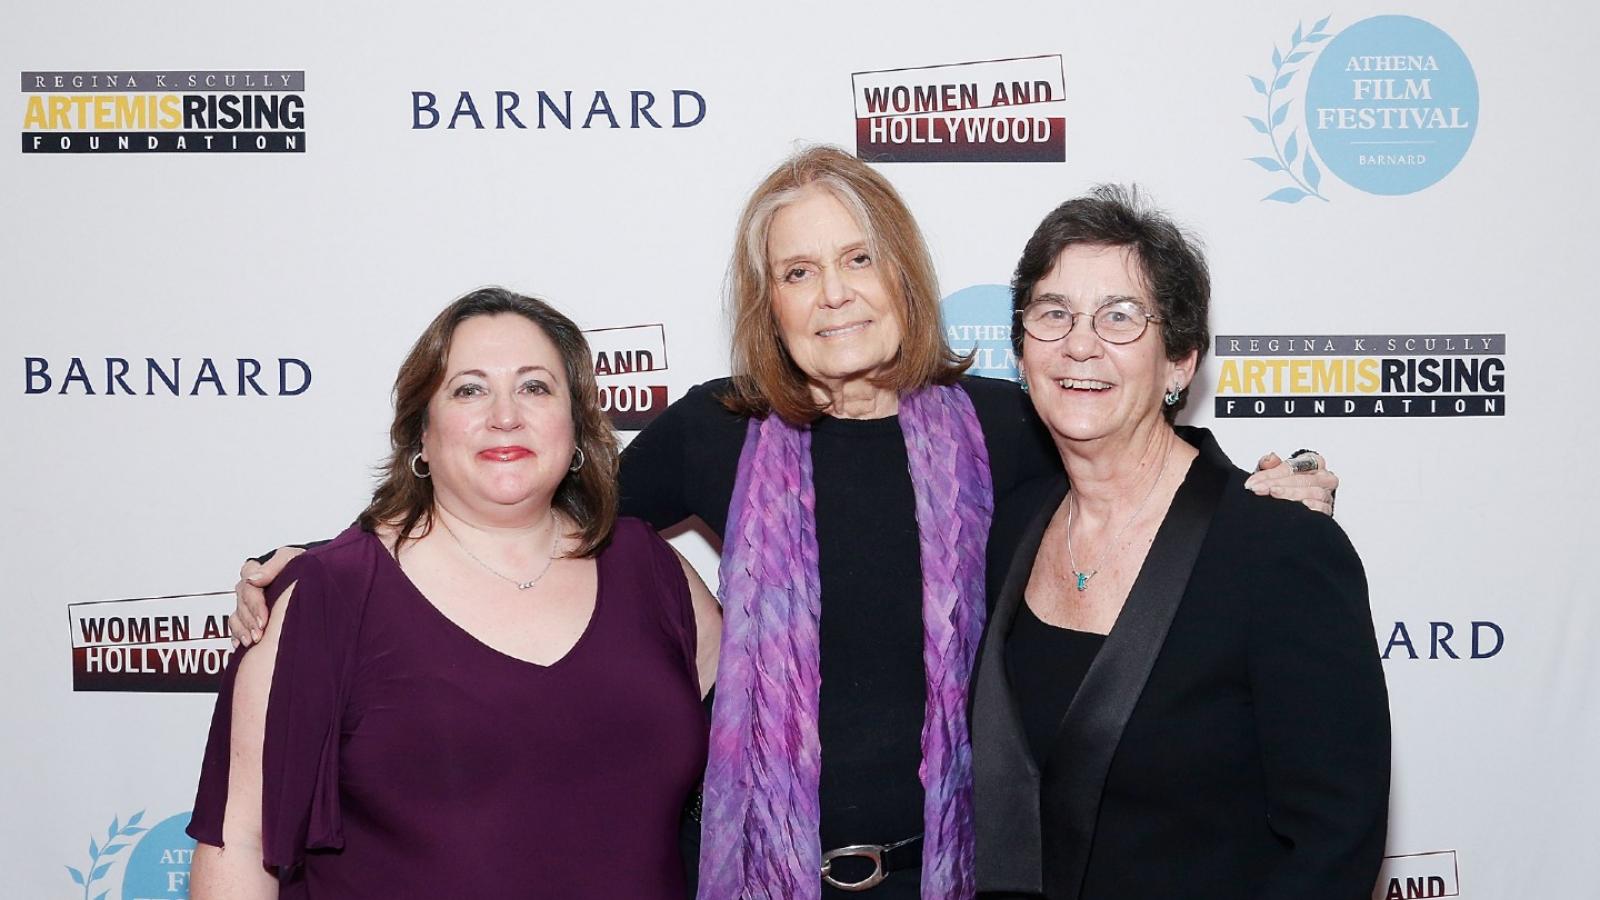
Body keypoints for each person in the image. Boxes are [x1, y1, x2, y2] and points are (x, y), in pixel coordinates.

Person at [228, 148, 1339, 899]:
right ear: (768, 303)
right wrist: (342, 556)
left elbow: (1140, 463)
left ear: (899, 273)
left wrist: (1270, 482)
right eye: (797, 272)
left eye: (857, 260)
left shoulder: (1007, 425)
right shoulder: (714, 432)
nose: (834, 294)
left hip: (957, 876)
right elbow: (519, 497)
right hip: (759, 873)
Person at [186, 288, 721, 899]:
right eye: (469, 389)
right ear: (421, 431)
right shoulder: (327, 597)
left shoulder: (650, 569)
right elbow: (242, 842)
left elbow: (771, 727)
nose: (505, 415)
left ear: (576, 425)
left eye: (536, 387)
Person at [969, 187, 1390, 899]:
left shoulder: (1275, 548)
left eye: (1121, 317)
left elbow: (1333, 844)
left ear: (1180, 362)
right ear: (1019, 349)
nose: (1080, 343)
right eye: (1053, 313)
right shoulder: (1013, 523)